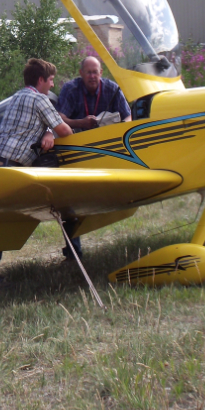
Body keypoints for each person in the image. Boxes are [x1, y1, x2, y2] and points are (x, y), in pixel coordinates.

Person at [0, 58, 73, 287]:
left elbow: (36, 123)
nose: (53, 86)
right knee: (3, 221)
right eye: (51, 80)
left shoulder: (18, 96)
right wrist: (54, 131)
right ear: (40, 80)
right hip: (10, 165)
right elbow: (64, 130)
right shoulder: (40, 99)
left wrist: (47, 131)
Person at [55, 55, 132, 260]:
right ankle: (74, 252)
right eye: (88, 72)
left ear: (101, 73)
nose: (92, 76)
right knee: (70, 200)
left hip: (108, 149)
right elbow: (59, 118)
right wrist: (81, 122)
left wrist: (122, 128)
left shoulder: (112, 89)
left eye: (95, 72)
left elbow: (128, 116)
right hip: (77, 151)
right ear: (81, 74)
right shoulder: (70, 89)